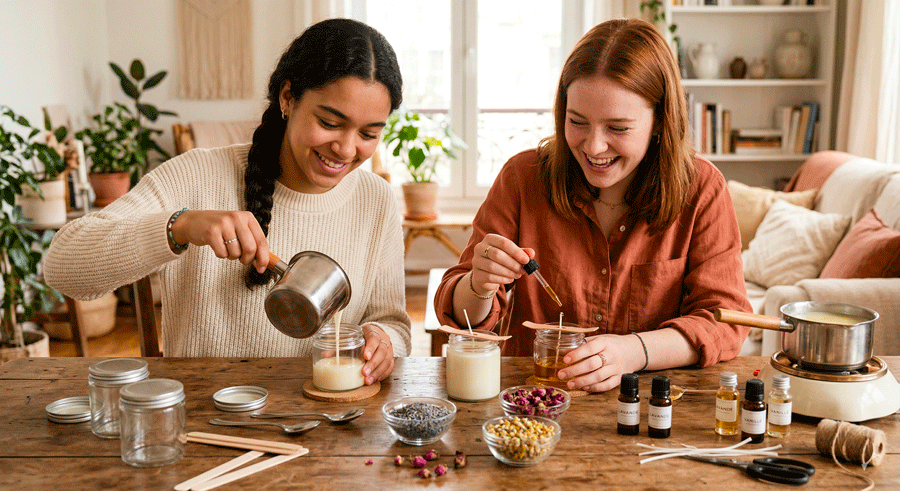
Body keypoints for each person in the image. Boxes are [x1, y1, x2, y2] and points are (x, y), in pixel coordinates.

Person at [44, 18, 410, 385]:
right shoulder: (197, 174)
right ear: (287, 98)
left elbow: (393, 323)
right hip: (204, 416)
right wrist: (179, 227)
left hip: (329, 418)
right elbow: (61, 266)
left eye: (368, 133)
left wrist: (382, 341)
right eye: (330, 122)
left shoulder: (374, 199)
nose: (346, 149)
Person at [434, 18, 751, 392]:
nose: (593, 147)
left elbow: (725, 322)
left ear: (659, 122)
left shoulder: (701, 189)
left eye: (617, 128)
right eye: (577, 122)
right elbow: (462, 314)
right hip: (534, 404)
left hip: (651, 411)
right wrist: (478, 284)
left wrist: (633, 351)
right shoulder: (523, 178)